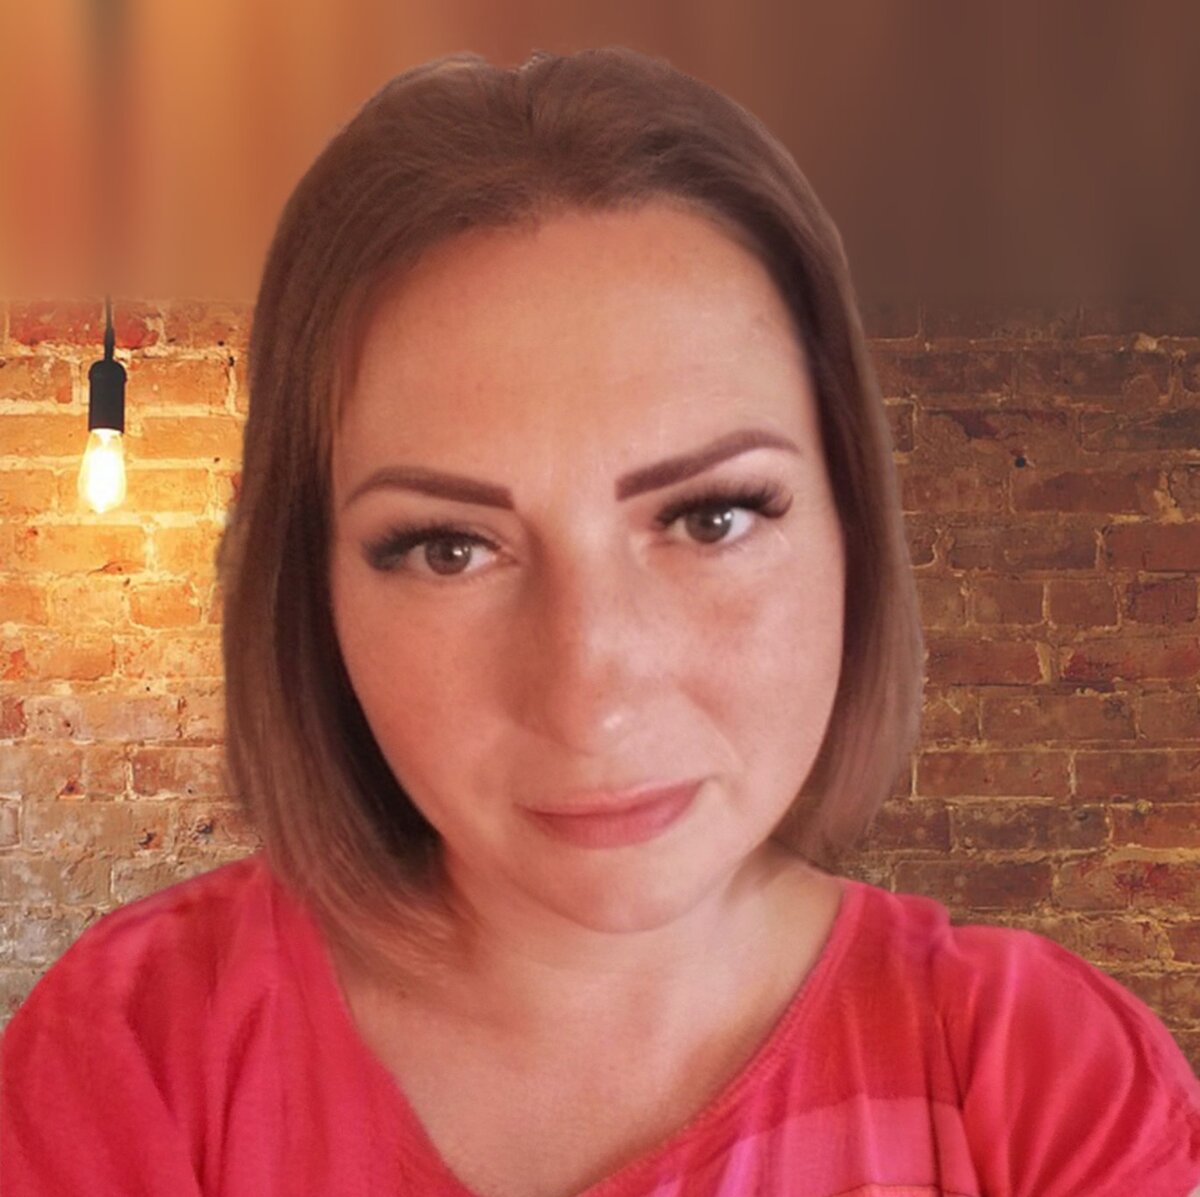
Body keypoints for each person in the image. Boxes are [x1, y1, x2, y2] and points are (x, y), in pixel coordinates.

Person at [2, 45, 1198, 1197]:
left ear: (852, 528)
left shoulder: (1052, 1088)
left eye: (712, 517)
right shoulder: (137, 1056)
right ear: (312, 594)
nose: (591, 696)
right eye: (449, 548)